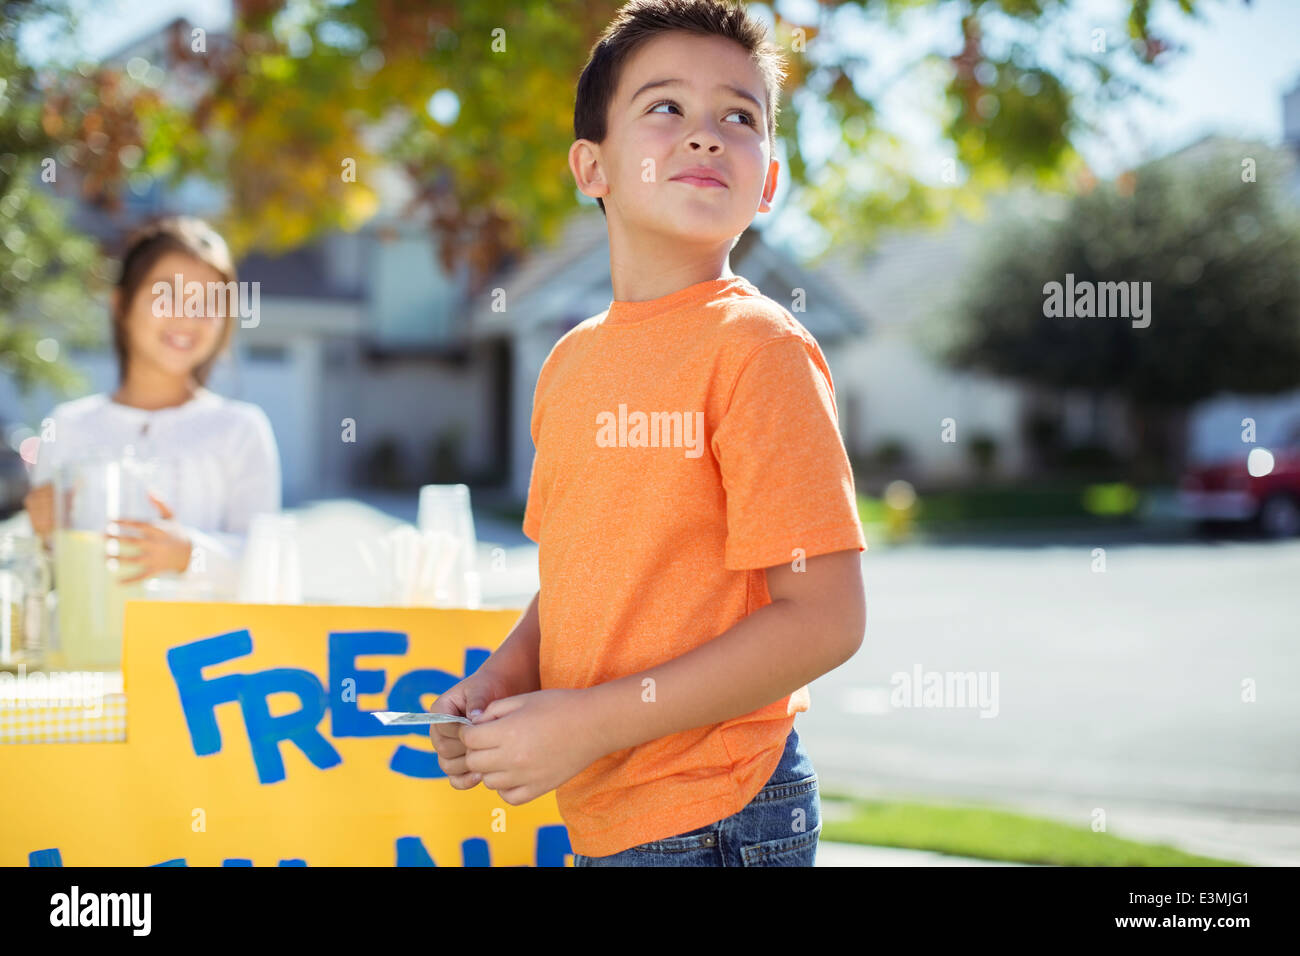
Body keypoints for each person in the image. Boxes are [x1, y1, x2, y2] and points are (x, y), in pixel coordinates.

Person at [431, 0, 866, 866]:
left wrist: (587, 722)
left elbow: (824, 619)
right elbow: (585, 579)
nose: (705, 134)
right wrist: (505, 681)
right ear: (591, 166)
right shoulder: (568, 364)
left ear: (769, 179)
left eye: (738, 117)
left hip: (721, 810)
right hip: (606, 811)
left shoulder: (759, 348)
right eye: (666, 107)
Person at [23, 215, 280, 597]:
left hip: (199, 655)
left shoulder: (240, 429)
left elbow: (268, 569)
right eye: (167, 296)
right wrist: (43, 538)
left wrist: (190, 555)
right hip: (91, 653)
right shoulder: (67, 426)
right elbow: (40, 584)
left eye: (208, 302)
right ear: (121, 304)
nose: (188, 317)